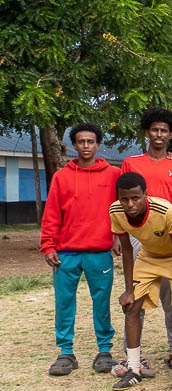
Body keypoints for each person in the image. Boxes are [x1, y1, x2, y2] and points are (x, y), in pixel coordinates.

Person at [42, 123, 121, 376]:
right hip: (66, 252)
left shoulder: (113, 175)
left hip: (99, 251)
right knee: (64, 302)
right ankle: (66, 353)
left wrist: (119, 236)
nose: (86, 146)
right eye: (81, 142)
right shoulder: (61, 176)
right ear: (74, 145)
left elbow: (121, 209)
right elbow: (52, 213)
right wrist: (48, 245)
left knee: (102, 302)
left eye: (90, 141)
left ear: (98, 145)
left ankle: (105, 350)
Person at [118, 107, 172, 374]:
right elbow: (122, 202)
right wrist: (121, 237)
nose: (159, 135)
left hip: (171, 235)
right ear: (147, 132)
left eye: (164, 130)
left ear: (170, 134)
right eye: (154, 130)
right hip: (139, 235)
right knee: (135, 297)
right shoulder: (131, 163)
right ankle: (131, 356)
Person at [108, 172, 172, 391]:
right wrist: (128, 290)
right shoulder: (116, 210)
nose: (130, 204)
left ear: (145, 194)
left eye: (135, 198)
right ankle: (133, 369)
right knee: (131, 305)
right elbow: (126, 249)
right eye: (124, 199)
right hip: (148, 256)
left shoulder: (164, 210)